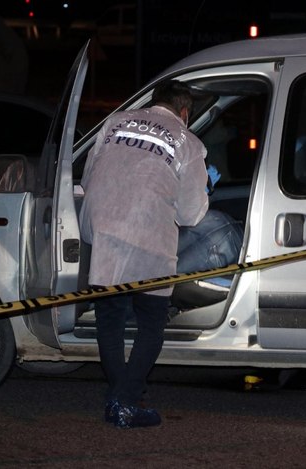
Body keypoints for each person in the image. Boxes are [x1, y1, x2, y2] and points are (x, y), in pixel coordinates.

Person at [79, 80, 209, 428]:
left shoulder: (116, 121)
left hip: (104, 231)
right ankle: (124, 401)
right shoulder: (188, 142)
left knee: (110, 319)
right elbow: (192, 213)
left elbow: (89, 177)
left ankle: (121, 394)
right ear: (185, 112)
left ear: (155, 102)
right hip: (150, 237)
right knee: (151, 323)